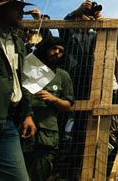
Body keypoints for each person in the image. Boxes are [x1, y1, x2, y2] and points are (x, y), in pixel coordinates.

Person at [0, 0, 36, 180]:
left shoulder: (17, 44)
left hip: (8, 121)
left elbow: (21, 81)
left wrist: (28, 114)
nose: (22, 12)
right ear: (0, 9)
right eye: (16, 8)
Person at [59, 0, 102, 179]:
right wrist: (77, 11)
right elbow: (62, 26)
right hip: (70, 81)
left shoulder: (94, 36)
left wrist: (99, 19)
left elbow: (106, 36)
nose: (87, 18)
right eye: (85, 14)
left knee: (81, 128)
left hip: (87, 83)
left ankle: (75, 168)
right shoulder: (70, 33)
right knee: (63, 122)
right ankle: (59, 163)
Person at [21, 37, 74, 181]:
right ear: (46, 49)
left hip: (46, 135)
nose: (56, 52)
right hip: (22, 128)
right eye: (54, 48)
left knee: (41, 173)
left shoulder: (62, 76)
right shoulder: (28, 68)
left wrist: (54, 99)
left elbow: (68, 105)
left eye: (61, 51)